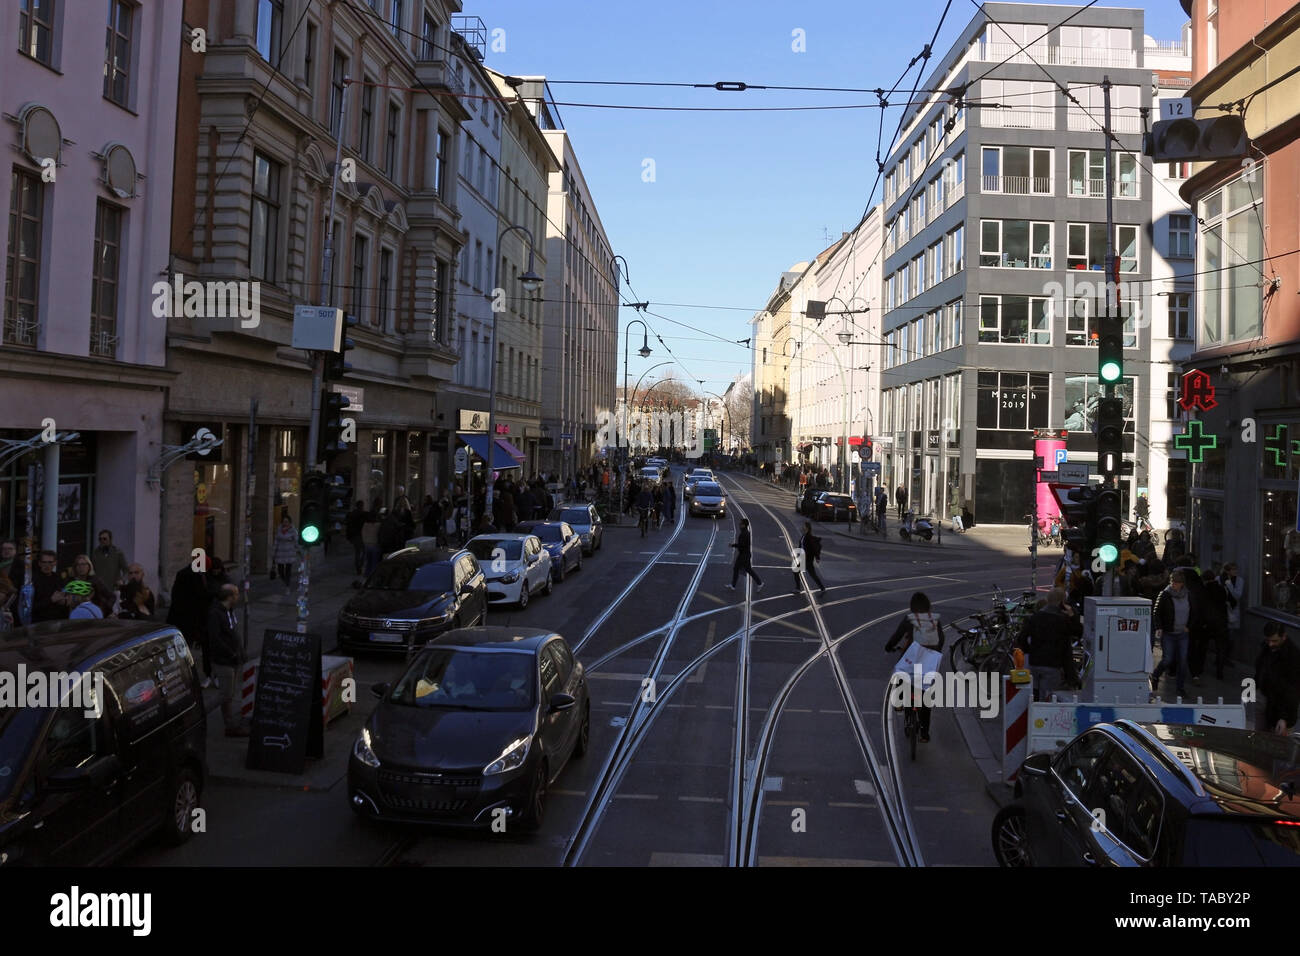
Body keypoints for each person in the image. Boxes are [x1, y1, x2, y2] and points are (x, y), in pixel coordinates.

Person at [884, 592, 946, 742]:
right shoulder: (934, 619)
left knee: (899, 673)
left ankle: (898, 703)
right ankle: (924, 734)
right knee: (924, 697)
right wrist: (934, 652)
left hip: (912, 657)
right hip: (928, 660)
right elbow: (942, 639)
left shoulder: (910, 619)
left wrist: (889, 646)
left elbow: (897, 635)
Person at [1015, 588, 1081, 701]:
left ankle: (1032, 713)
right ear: (1062, 603)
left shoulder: (1035, 617)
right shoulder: (1063, 619)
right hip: (1052, 664)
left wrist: (1030, 651)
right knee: (1048, 698)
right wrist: (1072, 615)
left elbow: (1022, 638)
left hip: (1035, 662)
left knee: (1034, 695)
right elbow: (1078, 632)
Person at [207, 583, 250, 737]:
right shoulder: (215, 614)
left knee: (229, 695)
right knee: (225, 694)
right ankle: (198, 714)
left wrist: (241, 652)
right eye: (236, 594)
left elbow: (234, 634)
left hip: (233, 658)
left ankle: (230, 726)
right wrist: (231, 653)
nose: (238, 597)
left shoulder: (229, 611)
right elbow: (215, 639)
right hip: (223, 660)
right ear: (229, 596)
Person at [168, 558, 215, 686]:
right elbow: (199, 597)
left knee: (188, 646)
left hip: (192, 618)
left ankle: (188, 674)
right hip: (188, 619)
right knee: (184, 648)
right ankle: (184, 676)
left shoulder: (193, 574)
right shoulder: (190, 575)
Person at [1150, 570, 1192, 698]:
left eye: (1177, 583)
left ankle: (1180, 688)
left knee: (1183, 661)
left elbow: (1194, 610)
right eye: (1173, 582)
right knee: (1168, 659)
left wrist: (1189, 626)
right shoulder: (1165, 595)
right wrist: (1159, 627)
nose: (1174, 585)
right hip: (1169, 632)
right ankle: (1156, 675)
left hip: (1183, 633)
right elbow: (1156, 612)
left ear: (1182, 584)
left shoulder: (1188, 595)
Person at [1255, 622, 1300, 734]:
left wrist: (1284, 718)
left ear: (1283, 636)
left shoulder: (1293, 656)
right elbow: (1260, 668)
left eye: (1274, 641)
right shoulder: (1266, 648)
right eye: (1268, 640)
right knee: (1260, 737)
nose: (1270, 644)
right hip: (1264, 698)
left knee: (1279, 745)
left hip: (1281, 706)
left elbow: (1293, 690)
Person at [1198, 569, 1232, 682]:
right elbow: (1229, 602)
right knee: (1220, 647)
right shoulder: (1222, 589)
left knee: (1203, 646)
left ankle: (1200, 668)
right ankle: (1220, 672)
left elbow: (1201, 606)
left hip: (1207, 622)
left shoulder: (1203, 590)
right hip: (1221, 621)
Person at [725, 517, 764, 591]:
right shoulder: (745, 532)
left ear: (743, 525)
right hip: (745, 554)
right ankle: (759, 583)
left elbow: (742, 545)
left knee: (736, 568)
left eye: (740, 523)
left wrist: (733, 545)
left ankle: (733, 585)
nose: (739, 525)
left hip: (743, 555)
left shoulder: (744, 534)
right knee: (748, 570)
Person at [31, 550, 67, 622]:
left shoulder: (58, 578)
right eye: (44, 562)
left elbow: (64, 596)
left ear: (55, 563)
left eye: (50, 562)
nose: (47, 565)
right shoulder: (32, 580)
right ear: (39, 563)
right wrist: (51, 600)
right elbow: (30, 607)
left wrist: (64, 601)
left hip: (57, 621)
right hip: (39, 622)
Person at [794, 521, 825, 594]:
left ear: (807, 528)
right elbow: (801, 545)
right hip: (803, 558)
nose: (802, 527)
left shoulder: (808, 537)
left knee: (811, 574)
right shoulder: (804, 535)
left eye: (804, 526)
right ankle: (822, 588)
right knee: (811, 574)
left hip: (807, 559)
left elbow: (813, 548)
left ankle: (798, 589)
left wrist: (817, 558)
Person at [271, 515, 299, 590]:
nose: (285, 523)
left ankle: (287, 584)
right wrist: (274, 551)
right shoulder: (279, 530)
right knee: (280, 571)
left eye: (286, 521)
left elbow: (296, 541)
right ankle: (285, 582)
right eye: (284, 521)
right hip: (280, 553)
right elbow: (276, 541)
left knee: (288, 570)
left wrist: (298, 549)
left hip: (289, 553)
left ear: (290, 522)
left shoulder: (293, 530)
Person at [1222, 562, 1244, 655]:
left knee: (1230, 636)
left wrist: (1229, 584)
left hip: (1232, 610)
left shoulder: (1239, 580)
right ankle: (1221, 656)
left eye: (1236, 569)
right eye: (1233, 569)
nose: (1235, 571)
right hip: (1222, 610)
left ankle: (1227, 656)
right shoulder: (1220, 579)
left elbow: (1237, 595)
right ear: (1227, 571)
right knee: (1222, 635)